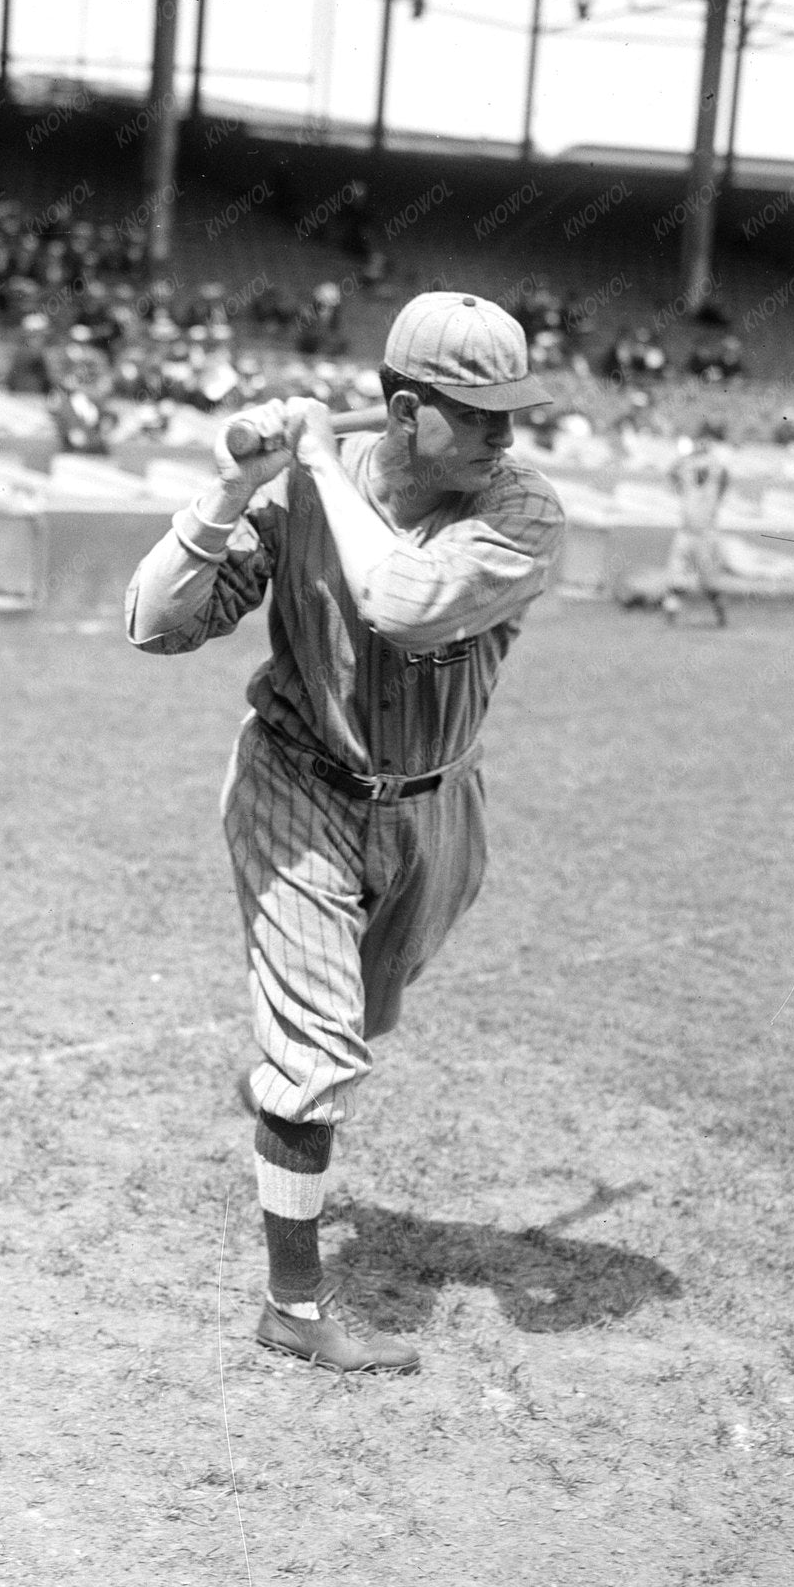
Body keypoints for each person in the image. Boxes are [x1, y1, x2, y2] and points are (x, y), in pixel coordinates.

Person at [124, 292, 565, 1374]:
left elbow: (403, 602)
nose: (505, 435)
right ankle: (294, 1305)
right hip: (298, 789)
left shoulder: (523, 511)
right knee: (318, 1055)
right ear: (405, 412)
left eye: (512, 411)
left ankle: (289, 1083)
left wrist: (318, 461)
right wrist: (234, 486)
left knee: (361, 1020)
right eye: (479, 413)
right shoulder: (300, 496)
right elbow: (154, 623)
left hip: (435, 810)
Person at [662, 424, 731, 627]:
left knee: (709, 581)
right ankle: (671, 613)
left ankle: (720, 611)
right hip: (687, 530)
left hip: (705, 532)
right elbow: (672, 473)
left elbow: (723, 479)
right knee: (676, 573)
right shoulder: (688, 467)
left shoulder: (715, 468)